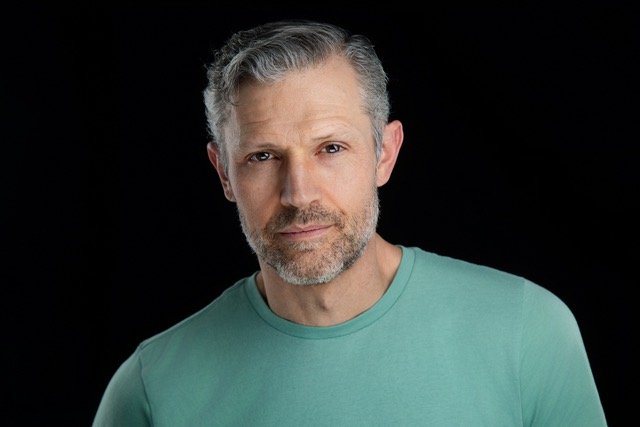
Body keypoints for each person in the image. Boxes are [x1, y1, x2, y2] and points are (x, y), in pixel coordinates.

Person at [92, 19, 607, 426]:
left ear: (385, 153)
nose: (299, 194)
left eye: (331, 148)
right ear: (224, 172)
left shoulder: (527, 332)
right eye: (263, 156)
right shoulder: (153, 388)